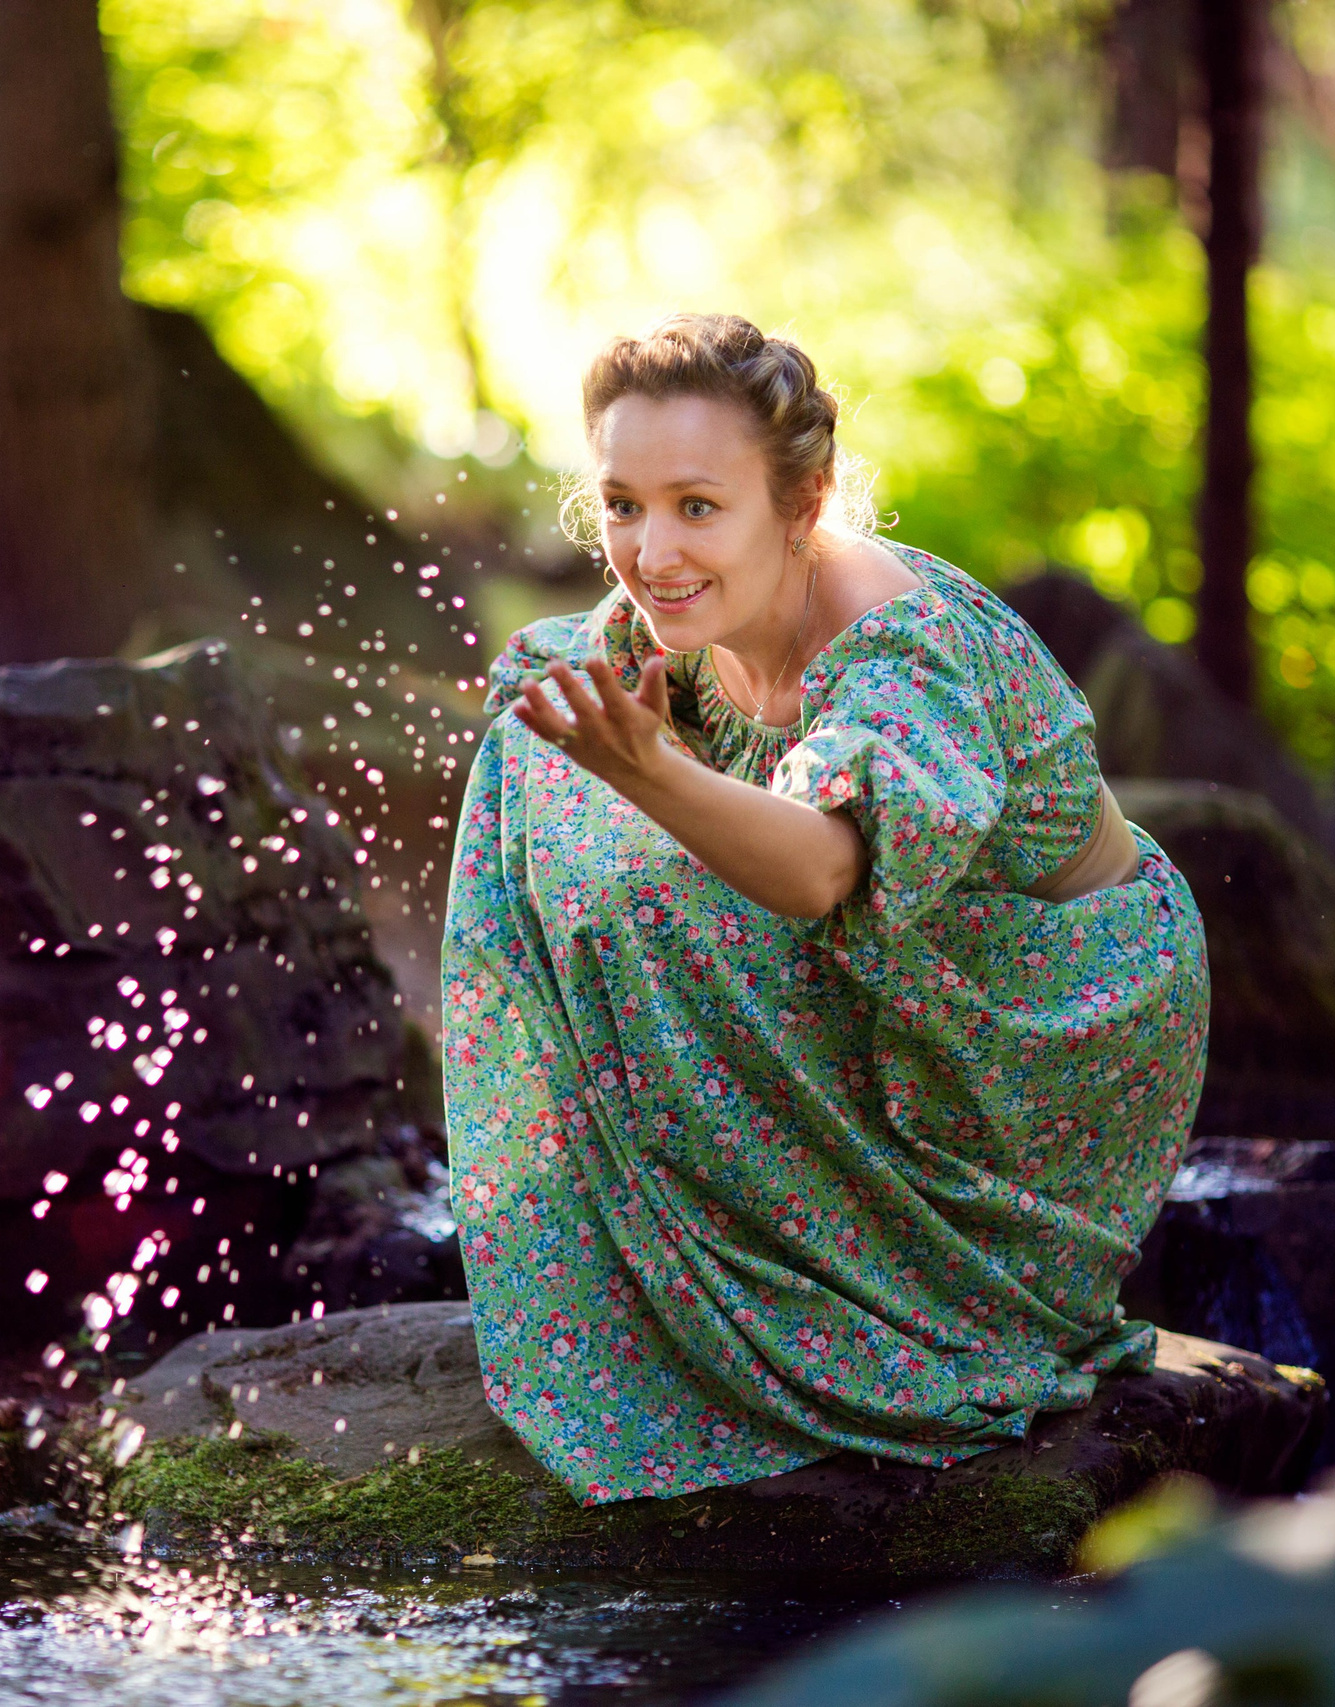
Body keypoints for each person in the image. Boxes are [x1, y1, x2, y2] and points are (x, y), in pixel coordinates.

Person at [440, 313, 1210, 1505]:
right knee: (540, 746)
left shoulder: (900, 644)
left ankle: (844, 1294)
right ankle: (669, 1238)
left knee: (643, 854)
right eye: (622, 505)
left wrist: (646, 770)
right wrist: (612, 743)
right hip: (906, 978)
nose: (652, 551)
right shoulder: (683, 622)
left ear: (803, 502)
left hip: (1050, 1021)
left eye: (698, 506)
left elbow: (817, 876)